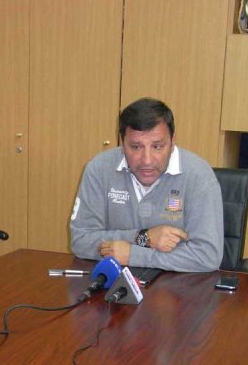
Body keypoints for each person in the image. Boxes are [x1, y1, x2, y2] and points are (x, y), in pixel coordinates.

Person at [70, 97, 223, 272]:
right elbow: (81, 241)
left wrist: (134, 254)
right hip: (115, 281)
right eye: (136, 147)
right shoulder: (99, 169)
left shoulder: (199, 175)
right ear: (122, 143)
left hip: (178, 284)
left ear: (172, 141)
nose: (147, 160)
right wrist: (143, 237)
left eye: (157, 147)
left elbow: (208, 256)